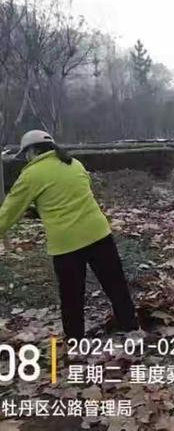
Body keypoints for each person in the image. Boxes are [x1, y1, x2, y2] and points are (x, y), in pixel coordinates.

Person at [0, 130, 138, 341]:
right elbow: (73, 194)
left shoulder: (31, 175)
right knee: (115, 285)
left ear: (33, 151)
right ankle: (132, 329)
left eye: (26, 154)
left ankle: (75, 342)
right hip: (99, 234)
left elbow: (7, 214)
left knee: (72, 297)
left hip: (67, 244)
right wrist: (43, 209)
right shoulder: (73, 163)